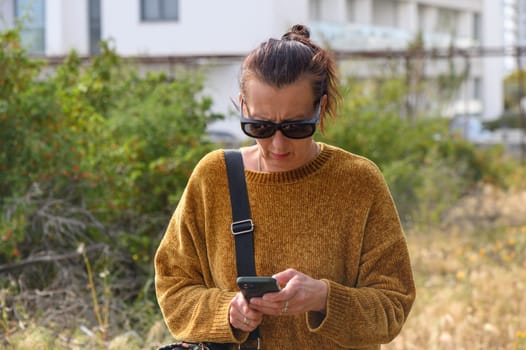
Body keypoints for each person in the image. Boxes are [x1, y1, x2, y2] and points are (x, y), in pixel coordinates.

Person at [155, 24, 416, 349]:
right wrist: (229, 312)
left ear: (320, 109)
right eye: (260, 126)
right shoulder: (214, 177)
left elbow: (393, 306)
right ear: (243, 106)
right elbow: (173, 289)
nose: (277, 144)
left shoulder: (359, 182)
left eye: (295, 127)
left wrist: (323, 298)